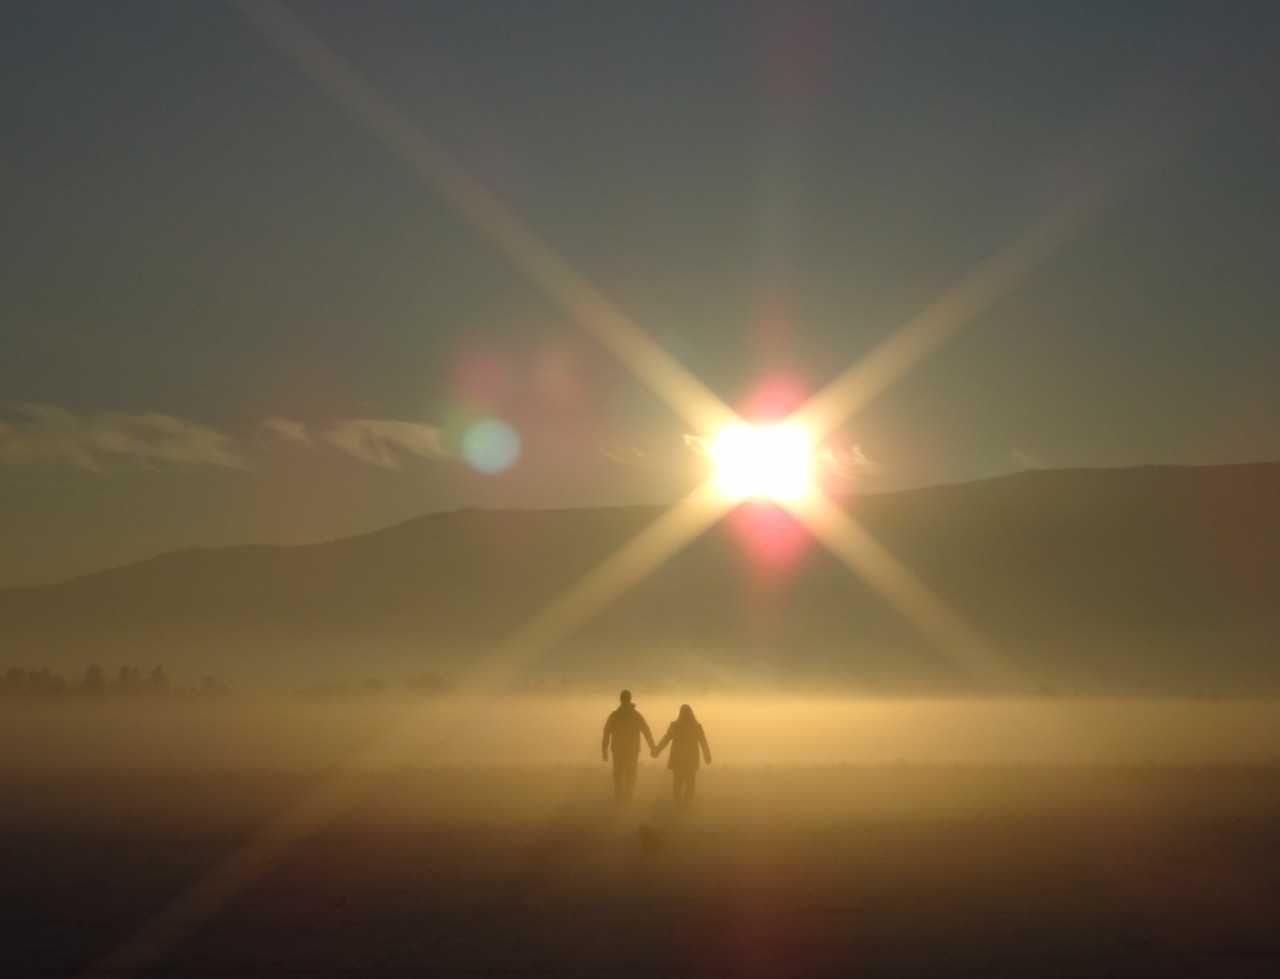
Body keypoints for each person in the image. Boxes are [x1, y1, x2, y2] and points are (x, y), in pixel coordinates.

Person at [601, 689, 655, 804]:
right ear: (630, 699)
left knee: (618, 775)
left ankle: (619, 799)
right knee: (631, 775)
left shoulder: (614, 715)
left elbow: (606, 732)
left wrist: (604, 751)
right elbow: (646, 731)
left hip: (617, 750)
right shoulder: (636, 716)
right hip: (632, 750)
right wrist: (652, 748)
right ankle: (628, 799)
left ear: (620, 699)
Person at [652, 704, 711, 808]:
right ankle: (688, 802)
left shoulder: (675, 725)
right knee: (690, 781)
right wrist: (707, 756)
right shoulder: (696, 726)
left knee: (678, 781)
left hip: (678, 758)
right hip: (691, 758)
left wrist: (657, 750)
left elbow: (666, 739)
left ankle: (677, 802)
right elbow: (703, 742)